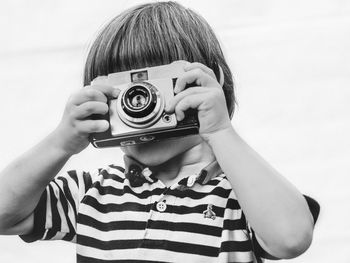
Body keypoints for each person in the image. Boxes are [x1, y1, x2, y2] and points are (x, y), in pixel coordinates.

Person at [0, 2, 319, 262]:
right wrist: (60, 142)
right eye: (123, 92)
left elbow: (290, 239)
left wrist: (220, 130)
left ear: (209, 83)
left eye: (153, 86)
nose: (137, 104)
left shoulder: (241, 194)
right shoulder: (92, 192)